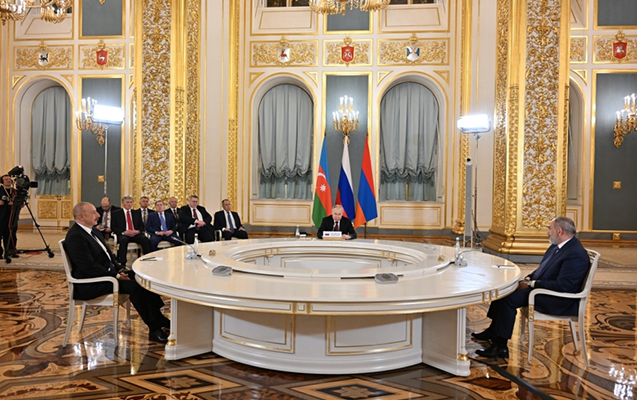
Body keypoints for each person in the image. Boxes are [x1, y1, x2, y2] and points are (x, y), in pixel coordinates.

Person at [472, 216, 590, 358]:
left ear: (559, 231)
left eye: (549, 229)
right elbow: (542, 269)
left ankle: (500, 346)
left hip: (559, 299)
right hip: (545, 289)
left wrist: (531, 284)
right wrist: (528, 278)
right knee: (504, 289)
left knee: (509, 300)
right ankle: (493, 331)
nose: (547, 233)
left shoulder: (575, 254)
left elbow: (565, 285)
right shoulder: (558, 247)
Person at [64, 202, 170, 343]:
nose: (98, 215)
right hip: (90, 283)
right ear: (81, 217)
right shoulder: (75, 236)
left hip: (106, 275)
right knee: (135, 287)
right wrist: (116, 275)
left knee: (142, 277)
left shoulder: (94, 231)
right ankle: (154, 328)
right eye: (94, 212)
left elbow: (109, 256)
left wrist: (119, 269)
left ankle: (159, 318)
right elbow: (89, 267)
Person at [112, 195, 151, 266]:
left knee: (145, 239)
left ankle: (147, 259)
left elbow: (141, 225)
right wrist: (124, 232)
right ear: (123, 203)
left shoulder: (136, 213)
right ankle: (122, 263)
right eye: (127, 202)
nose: (129, 204)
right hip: (124, 234)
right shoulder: (116, 213)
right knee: (123, 240)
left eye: (131, 202)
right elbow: (113, 227)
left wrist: (137, 231)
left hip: (135, 234)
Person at [0, 175, 17, 258]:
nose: (8, 180)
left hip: (12, 216)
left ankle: (10, 251)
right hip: (1, 216)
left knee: (11, 234)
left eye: (9, 179)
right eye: (6, 179)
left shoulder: (14, 191)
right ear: (2, 181)